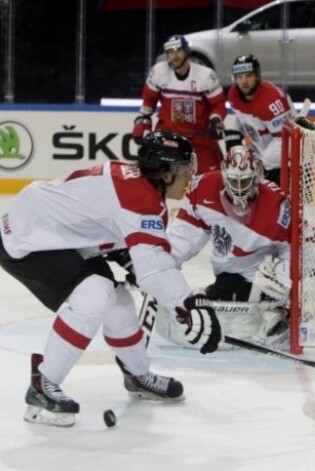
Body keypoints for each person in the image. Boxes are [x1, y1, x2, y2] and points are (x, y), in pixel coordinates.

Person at [0, 131, 223, 426]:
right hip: (27, 238)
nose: (189, 178)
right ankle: (43, 384)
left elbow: (103, 223)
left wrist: (127, 256)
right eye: (184, 170)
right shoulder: (141, 197)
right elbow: (154, 270)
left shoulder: (136, 185)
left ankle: (137, 375)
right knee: (95, 296)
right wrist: (189, 305)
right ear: (164, 172)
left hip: (55, 234)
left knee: (119, 303)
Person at [157, 144, 292, 348]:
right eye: (233, 180)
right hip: (227, 275)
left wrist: (284, 283)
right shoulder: (203, 187)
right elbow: (184, 237)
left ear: (256, 177)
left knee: (250, 294)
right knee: (220, 293)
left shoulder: (277, 206)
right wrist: (160, 265)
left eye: (245, 180)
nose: (239, 188)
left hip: (259, 276)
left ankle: (276, 311)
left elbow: (300, 249)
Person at [132, 34, 227, 174]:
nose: (174, 55)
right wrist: (143, 119)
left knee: (211, 180)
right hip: (168, 138)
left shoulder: (206, 76)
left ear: (187, 51)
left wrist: (216, 120)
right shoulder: (159, 72)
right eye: (170, 52)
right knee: (161, 177)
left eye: (178, 50)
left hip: (199, 139)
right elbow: (149, 100)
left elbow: (218, 104)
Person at [226, 54, 296, 184]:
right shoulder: (233, 94)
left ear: (257, 76)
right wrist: (234, 136)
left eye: (249, 76)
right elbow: (243, 119)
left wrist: (262, 164)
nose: (244, 81)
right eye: (239, 77)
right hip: (263, 158)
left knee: (283, 203)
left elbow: (285, 139)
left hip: (288, 165)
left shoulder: (272, 101)